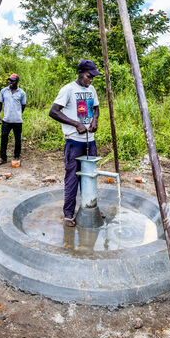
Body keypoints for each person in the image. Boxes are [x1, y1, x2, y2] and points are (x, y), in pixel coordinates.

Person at [49, 59, 101, 227]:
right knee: (72, 177)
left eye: (92, 77)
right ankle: (68, 213)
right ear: (80, 74)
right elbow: (53, 112)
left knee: (90, 176)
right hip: (74, 141)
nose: (91, 80)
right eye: (88, 76)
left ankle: (89, 207)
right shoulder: (68, 90)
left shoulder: (91, 89)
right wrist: (75, 123)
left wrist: (94, 121)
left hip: (90, 141)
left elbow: (96, 108)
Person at [0, 73, 27, 166]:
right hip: (6, 120)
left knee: (18, 139)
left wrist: (18, 113)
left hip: (17, 121)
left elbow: (23, 105)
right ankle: (3, 158)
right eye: (10, 80)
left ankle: (16, 156)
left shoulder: (22, 93)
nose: (11, 82)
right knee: (3, 139)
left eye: (13, 81)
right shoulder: (4, 91)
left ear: (17, 81)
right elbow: (0, 103)